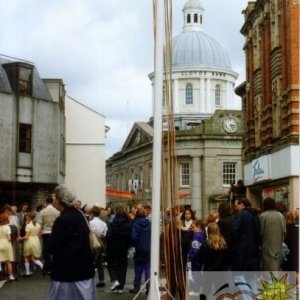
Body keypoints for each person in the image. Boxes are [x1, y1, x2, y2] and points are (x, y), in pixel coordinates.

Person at [47, 184, 96, 300]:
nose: (53, 199)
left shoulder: (63, 219)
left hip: (67, 274)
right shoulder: (80, 214)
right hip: (84, 271)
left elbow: (53, 246)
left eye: (55, 197)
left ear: (60, 200)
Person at [106, 206, 132, 293]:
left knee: (111, 264)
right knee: (122, 266)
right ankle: (121, 286)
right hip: (123, 247)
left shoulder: (113, 223)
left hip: (113, 247)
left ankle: (115, 279)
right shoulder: (128, 224)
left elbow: (108, 236)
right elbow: (130, 238)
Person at [231, 198, 260, 271]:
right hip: (254, 250)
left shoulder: (240, 215)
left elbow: (234, 232)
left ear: (242, 204)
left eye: (237, 205)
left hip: (242, 250)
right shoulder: (255, 215)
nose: (236, 208)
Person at [259, 197, 286, 271]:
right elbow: (284, 232)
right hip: (278, 246)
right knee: (277, 267)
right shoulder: (280, 216)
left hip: (266, 247)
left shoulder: (262, 216)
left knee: (267, 268)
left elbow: (260, 232)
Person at [129, 207, 151, 294]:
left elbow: (134, 237)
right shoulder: (148, 222)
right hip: (148, 247)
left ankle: (136, 286)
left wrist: (135, 244)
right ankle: (148, 286)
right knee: (147, 268)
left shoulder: (136, 223)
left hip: (139, 248)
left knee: (138, 268)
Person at [38, 196, 60, 275]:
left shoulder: (43, 212)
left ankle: (48, 268)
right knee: (54, 250)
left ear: (46, 202)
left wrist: (39, 233)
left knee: (46, 251)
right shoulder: (57, 212)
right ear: (52, 202)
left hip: (45, 232)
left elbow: (39, 223)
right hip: (54, 233)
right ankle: (53, 267)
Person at [89, 205, 107, 288]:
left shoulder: (90, 223)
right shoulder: (103, 223)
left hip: (93, 242)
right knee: (99, 262)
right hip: (101, 242)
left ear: (92, 213)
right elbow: (105, 233)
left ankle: (90, 279)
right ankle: (101, 280)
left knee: (91, 260)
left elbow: (89, 233)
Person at [0, 209, 16, 281]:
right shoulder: (7, 227)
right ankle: (11, 276)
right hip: (6, 243)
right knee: (8, 261)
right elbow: (9, 238)